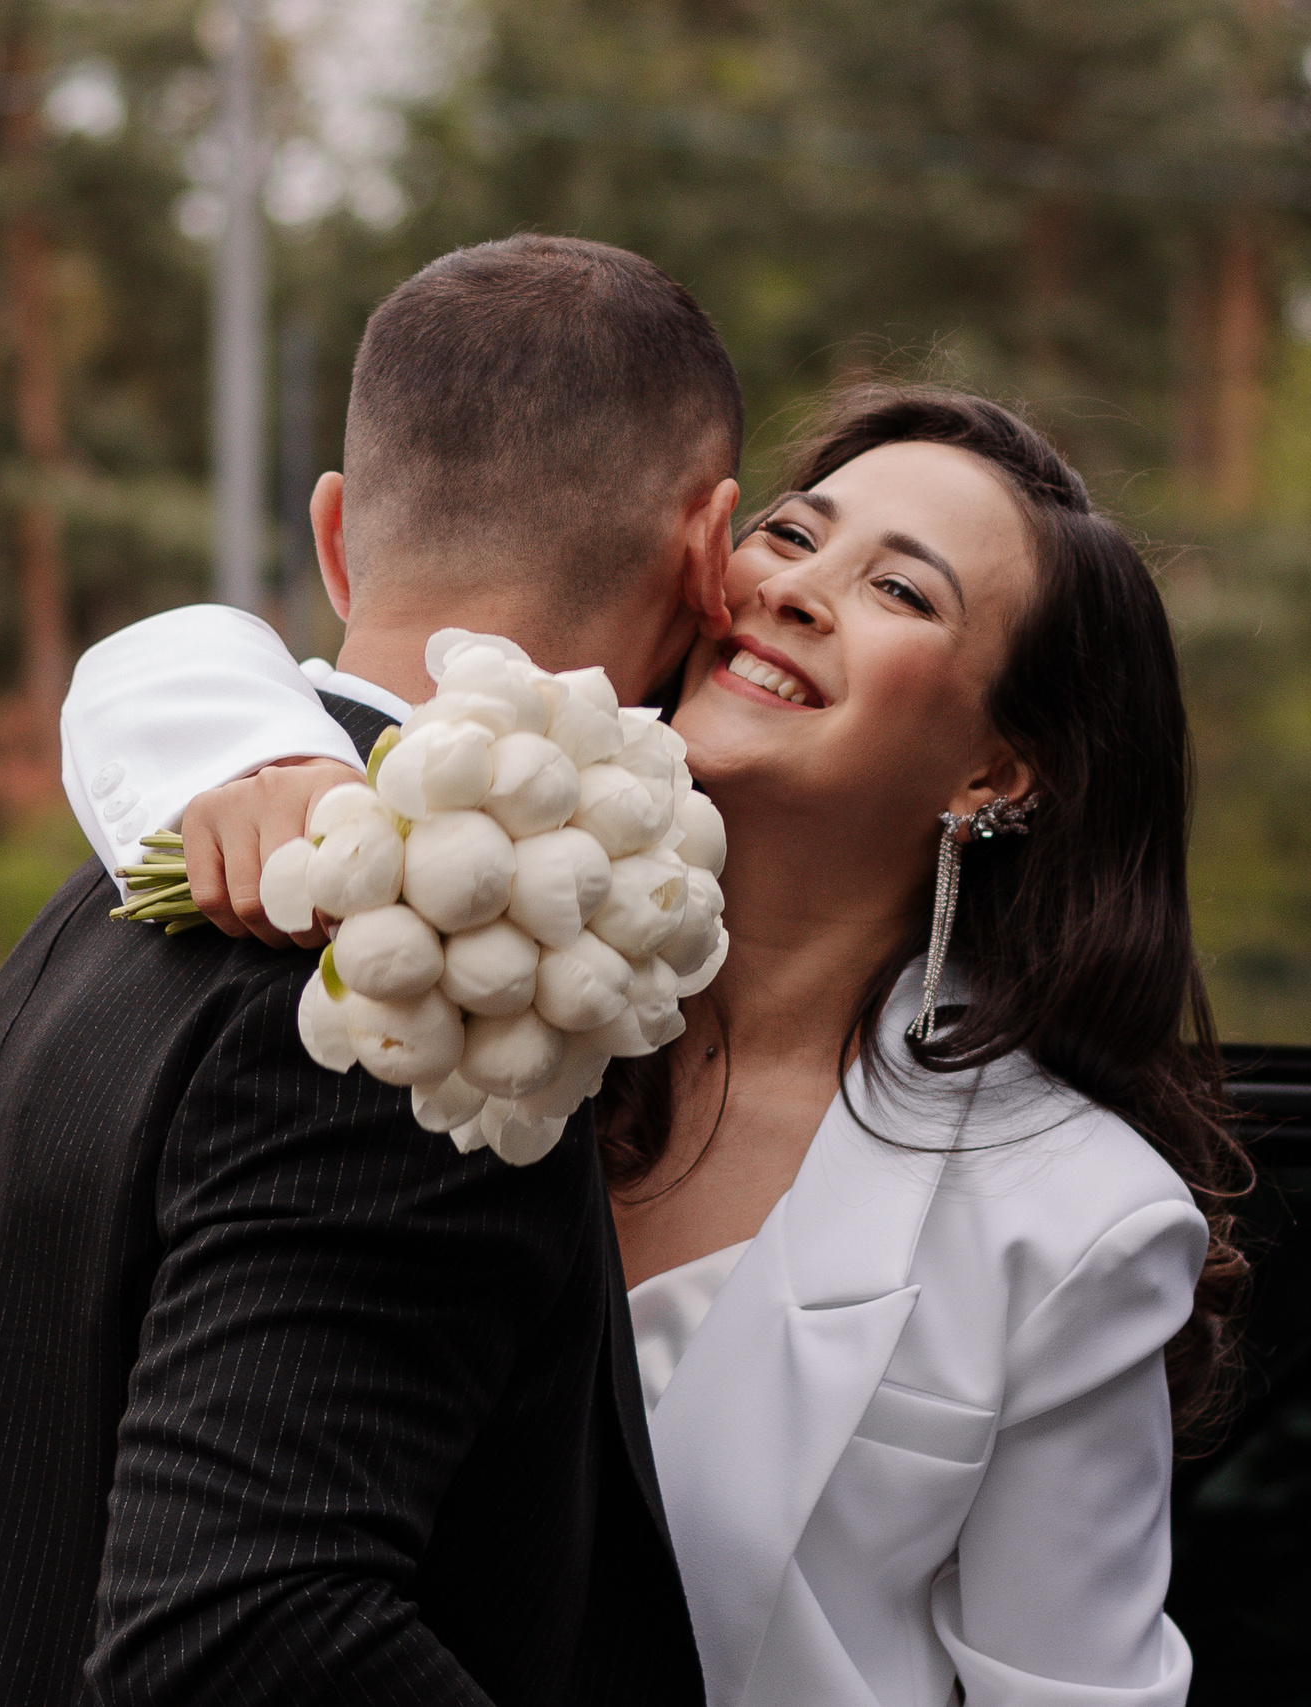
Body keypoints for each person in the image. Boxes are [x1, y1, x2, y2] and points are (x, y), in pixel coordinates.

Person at [64, 381, 1251, 1706]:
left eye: (899, 591)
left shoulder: (1073, 1217)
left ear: (998, 772)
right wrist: (265, 768)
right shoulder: (487, 905)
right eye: (790, 536)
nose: (796, 590)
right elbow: (182, 663)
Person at [0, 235, 744, 1707]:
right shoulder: (416, 982)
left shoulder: (98, 911)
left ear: (333, 532)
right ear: (709, 550)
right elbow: (239, 1630)